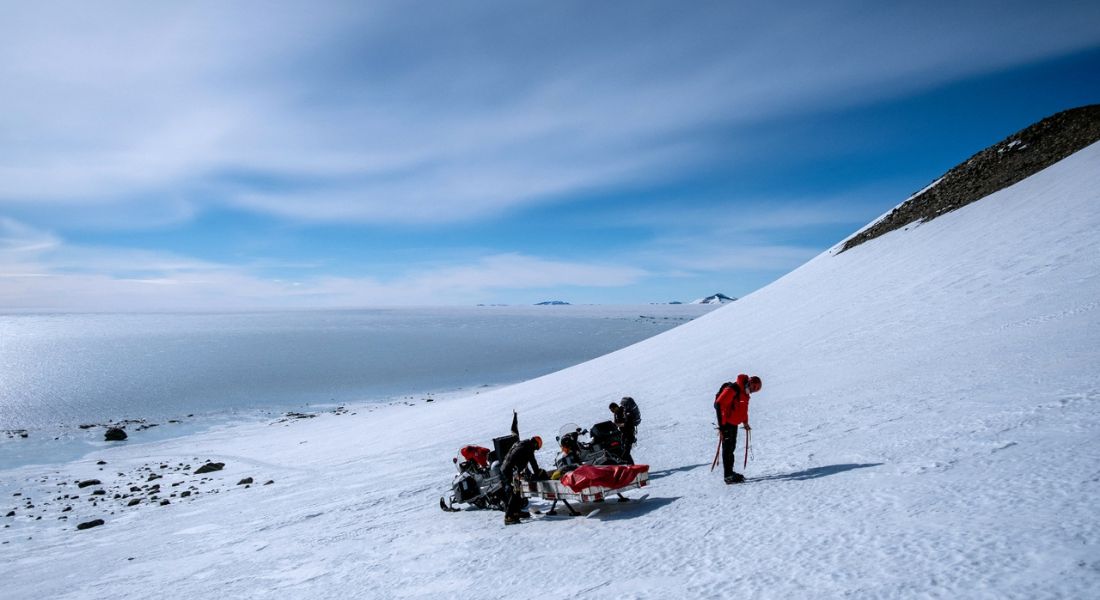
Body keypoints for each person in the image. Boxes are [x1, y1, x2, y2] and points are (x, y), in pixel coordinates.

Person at [713, 374, 762, 484]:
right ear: (749, 382)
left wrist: (745, 423)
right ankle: (728, 476)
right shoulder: (733, 389)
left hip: (733, 424)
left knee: (731, 448)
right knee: (728, 449)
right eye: (753, 388)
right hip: (726, 424)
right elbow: (719, 404)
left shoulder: (745, 394)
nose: (752, 391)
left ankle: (730, 473)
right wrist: (721, 427)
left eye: (755, 390)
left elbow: (743, 410)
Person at [500, 435, 543, 524]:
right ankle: (509, 517)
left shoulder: (522, 444)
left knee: (518, 491)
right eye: (536, 448)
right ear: (535, 444)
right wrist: (538, 473)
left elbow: (518, 458)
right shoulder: (528, 448)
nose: (534, 450)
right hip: (510, 470)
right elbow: (533, 463)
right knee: (515, 492)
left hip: (507, 468)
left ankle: (516, 512)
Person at [609, 399, 637, 464]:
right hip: (623, 434)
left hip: (629, 434)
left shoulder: (624, 411)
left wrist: (619, 424)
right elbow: (616, 423)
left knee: (626, 453)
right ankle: (630, 466)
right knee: (624, 451)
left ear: (616, 407)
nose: (612, 412)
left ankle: (632, 467)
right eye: (611, 411)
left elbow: (628, 423)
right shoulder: (616, 414)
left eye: (612, 410)